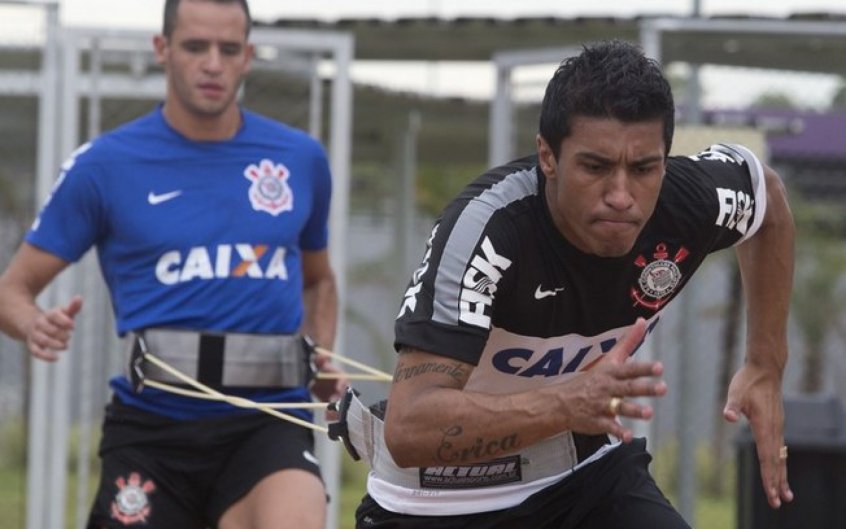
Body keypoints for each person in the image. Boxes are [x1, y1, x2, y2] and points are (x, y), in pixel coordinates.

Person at [350, 40, 795, 529]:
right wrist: (567, 403)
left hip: (584, 480)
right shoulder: (489, 232)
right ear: (548, 156)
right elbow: (410, 424)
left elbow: (767, 199)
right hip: (436, 502)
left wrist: (765, 363)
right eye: (595, 167)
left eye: (644, 168)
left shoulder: (688, 201)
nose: (621, 196)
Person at [0, 0, 345, 528]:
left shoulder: (299, 159)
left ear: (248, 57)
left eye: (229, 49)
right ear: (162, 50)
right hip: (152, 433)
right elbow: (12, 290)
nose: (213, 63)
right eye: (194, 47)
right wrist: (33, 324)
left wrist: (320, 353)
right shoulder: (104, 166)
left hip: (267, 422)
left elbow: (318, 281)